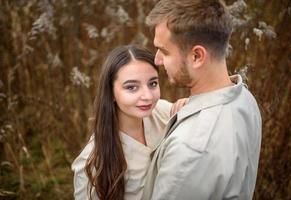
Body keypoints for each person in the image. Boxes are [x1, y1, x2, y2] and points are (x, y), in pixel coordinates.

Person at [141, 0, 262, 200]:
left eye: (164, 51)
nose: (157, 60)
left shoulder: (189, 151)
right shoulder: (244, 98)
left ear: (197, 56)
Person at [71, 45, 186, 200]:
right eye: (131, 87)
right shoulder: (92, 163)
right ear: (110, 92)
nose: (147, 96)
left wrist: (189, 106)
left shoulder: (162, 112)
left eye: (152, 83)